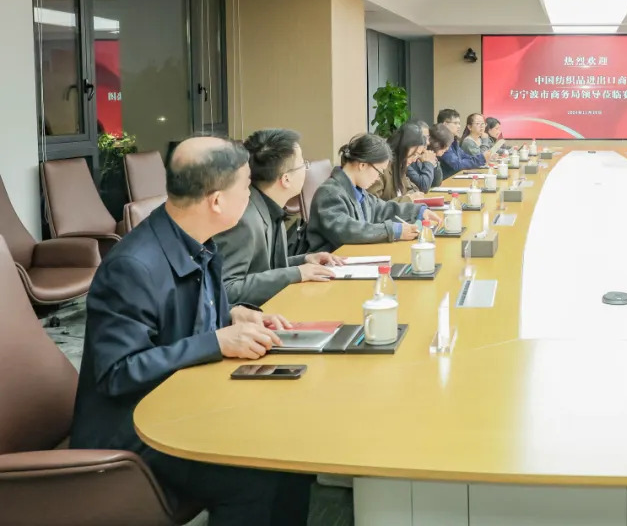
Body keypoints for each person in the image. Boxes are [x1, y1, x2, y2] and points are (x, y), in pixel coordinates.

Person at [70, 136, 311, 526]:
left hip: (181, 405)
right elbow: (118, 372)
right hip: (135, 429)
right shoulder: (133, 266)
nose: (250, 195)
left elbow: (181, 320)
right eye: (246, 186)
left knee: (292, 450)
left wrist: (233, 316)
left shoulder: (196, 241)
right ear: (216, 201)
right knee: (257, 475)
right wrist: (216, 341)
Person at [215, 129, 341, 307]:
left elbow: (264, 268)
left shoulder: (269, 205)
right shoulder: (243, 219)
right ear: (286, 179)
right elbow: (226, 289)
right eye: (303, 164)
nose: (305, 170)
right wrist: (296, 273)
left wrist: (304, 260)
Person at [305, 133, 443, 251]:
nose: (378, 178)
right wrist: (393, 230)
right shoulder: (329, 193)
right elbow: (347, 231)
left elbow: (382, 209)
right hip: (329, 263)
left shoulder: (358, 190)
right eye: (379, 171)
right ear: (362, 165)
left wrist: (418, 212)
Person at [369, 123, 427, 202]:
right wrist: (407, 199)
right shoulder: (381, 168)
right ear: (403, 147)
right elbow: (373, 205)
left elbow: (412, 189)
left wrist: (412, 196)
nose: (414, 160)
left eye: (417, 156)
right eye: (414, 154)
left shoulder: (399, 166)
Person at [436, 108, 489, 176]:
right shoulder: (441, 142)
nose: (459, 126)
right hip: (447, 180)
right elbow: (457, 164)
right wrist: (481, 158)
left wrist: (482, 158)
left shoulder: (453, 141)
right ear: (445, 124)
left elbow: (465, 156)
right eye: (455, 123)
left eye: (459, 123)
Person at [410, 123, 452, 193]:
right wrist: (428, 163)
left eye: (428, 137)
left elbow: (436, 183)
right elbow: (424, 187)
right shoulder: (408, 160)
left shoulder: (426, 154)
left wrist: (434, 163)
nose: (428, 142)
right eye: (424, 138)